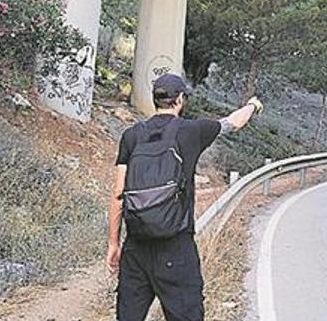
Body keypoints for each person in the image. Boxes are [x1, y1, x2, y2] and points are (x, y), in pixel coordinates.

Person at [106, 73, 263, 321]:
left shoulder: (132, 136)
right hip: (176, 247)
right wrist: (253, 105)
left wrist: (113, 244)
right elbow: (234, 122)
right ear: (179, 100)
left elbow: (117, 196)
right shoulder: (192, 131)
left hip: (136, 247)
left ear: (155, 99)